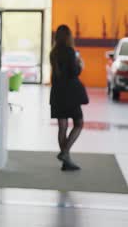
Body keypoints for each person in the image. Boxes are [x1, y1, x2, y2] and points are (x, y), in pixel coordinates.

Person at [49, 24, 87, 171]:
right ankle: (65, 153)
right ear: (68, 37)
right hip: (70, 95)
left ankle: (66, 163)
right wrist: (80, 64)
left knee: (62, 127)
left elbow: (56, 77)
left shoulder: (53, 53)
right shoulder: (70, 52)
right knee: (79, 123)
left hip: (57, 94)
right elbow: (74, 73)